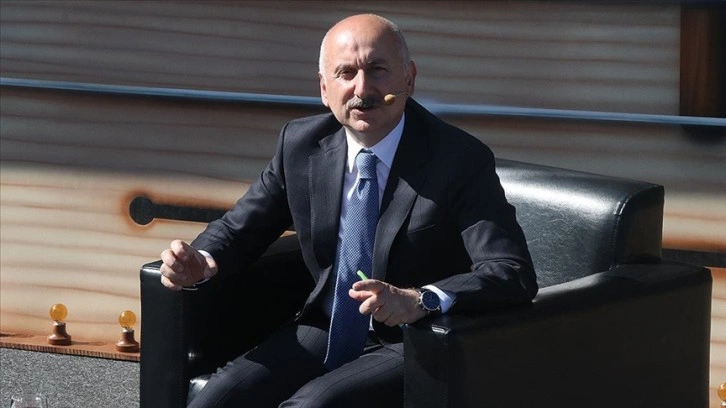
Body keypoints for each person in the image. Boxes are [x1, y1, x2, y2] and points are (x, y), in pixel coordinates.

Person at [159, 13, 537, 408]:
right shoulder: (300, 145)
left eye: (377, 70)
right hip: (325, 327)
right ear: (325, 89)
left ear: (409, 79)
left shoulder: (459, 159)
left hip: (416, 339)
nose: (362, 89)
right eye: (346, 73)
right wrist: (202, 259)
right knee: (217, 399)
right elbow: (241, 229)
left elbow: (510, 271)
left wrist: (419, 299)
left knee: (312, 405)